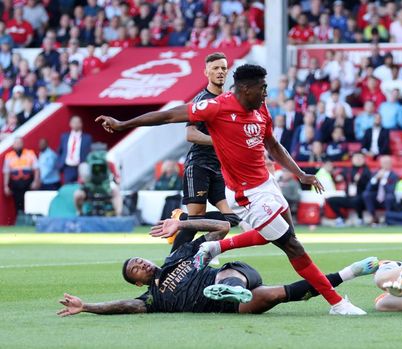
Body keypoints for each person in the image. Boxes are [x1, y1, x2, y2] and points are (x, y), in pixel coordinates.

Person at [96, 64, 366, 315]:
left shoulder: (261, 109)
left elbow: (273, 145)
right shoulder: (216, 107)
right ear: (246, 89)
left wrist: (299, 174)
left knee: (287, 237)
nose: (266, 93)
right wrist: (123, 123)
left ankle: (216, 247)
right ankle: (337, 303)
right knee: (293, 247)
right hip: (245, 194)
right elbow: (168, 115)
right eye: (262, 88)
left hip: (267, 185)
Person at [57, 219, 379, 316]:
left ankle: (232, 288)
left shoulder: (178, 255)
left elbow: (221, 228)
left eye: (139, 260)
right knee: (274, 296)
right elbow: (123, 306)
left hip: (237, 273)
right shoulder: (151, 299)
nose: (141, 264)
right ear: (139, 283)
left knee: (226, 275)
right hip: (228, 309)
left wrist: (184, 222)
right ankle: (351, 271)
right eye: (136, 270)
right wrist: (87, 307)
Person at [172, 52, 242, 249]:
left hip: (219, 168)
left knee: (232, 219)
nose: (220, 72)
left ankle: (183, 219)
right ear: (206, 72)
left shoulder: (230, 100)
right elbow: (191, 135)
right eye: (215, 68)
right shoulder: (202, 100)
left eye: (223, 68)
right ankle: (170, 265)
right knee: (195, 222)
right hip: (199, 165)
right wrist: (220, 141)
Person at [325, 152, 371, 227]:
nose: (358, 160)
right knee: (331, 200)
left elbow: (370, 184)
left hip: (361, 198)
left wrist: (361, 180)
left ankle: (360, 218)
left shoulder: (366, 171)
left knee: (357, 200)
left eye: (360, 158)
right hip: (349, 197)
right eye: (356, 158)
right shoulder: (348, 170)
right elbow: (338, 179)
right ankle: (341, 218)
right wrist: (331, 173)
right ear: (352, 159)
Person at [3, 137, 40, 215]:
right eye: (16, 143)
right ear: (13, 145)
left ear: (22, 144)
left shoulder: (30, 153)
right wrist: (6, 186)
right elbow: (6, 172)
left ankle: (29, 219)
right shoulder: (9, 156)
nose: (18, 145)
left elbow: (36, 168)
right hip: (15, 182)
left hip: (28, 181)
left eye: (19, 143)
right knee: (17, 201)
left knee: (29, 201)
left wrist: (36, 181)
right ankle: (20, 219)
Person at [362, 155, 399, 225]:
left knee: (389, 197)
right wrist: (376, 178)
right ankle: (373, 217)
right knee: (366, 194)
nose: (385, 164)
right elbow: (368, 188)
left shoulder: (394, 175)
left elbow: (391, 190)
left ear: (391, 164)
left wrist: (383, 180)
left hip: (387, 198)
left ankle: (388, 217)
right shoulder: (375, 174)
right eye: (384, 163)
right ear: (381, 164)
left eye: (387, 162)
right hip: (376, 197)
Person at [56, 115, 92, 184]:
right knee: (68, 187)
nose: (75, 124)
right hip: (68, 167)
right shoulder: (64, 136)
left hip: (81, 166)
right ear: (70, 124)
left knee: (82, 187)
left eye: (78, 122)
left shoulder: (87, 138)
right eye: (74, 122)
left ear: (81, 124)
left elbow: (90, 152)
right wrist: (59, 163)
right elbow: (60, 151)